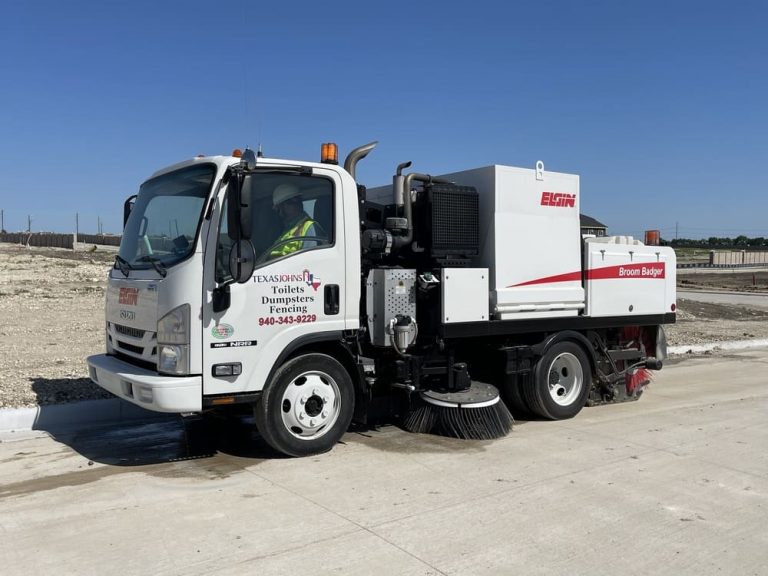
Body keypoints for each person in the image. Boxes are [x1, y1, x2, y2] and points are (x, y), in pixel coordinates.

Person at [269, 184, 320, 258]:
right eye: (291, 202)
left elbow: (311, 259)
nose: (297, 205)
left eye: (297, 201)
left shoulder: (310, 227)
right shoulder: (286, 232)